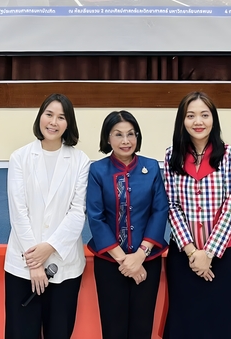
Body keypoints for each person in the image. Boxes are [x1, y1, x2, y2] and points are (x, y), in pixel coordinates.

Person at [4, 93, 91, 339]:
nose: (53, 122)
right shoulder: (20, 158)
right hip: (23, 267)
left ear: (69, 123)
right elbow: (18, 211)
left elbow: (77, 213)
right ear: (40, 117)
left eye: (61, 117)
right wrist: (35, 261)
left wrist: (49, 248)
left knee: (59, 333)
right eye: (49, 114)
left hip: (64, 266)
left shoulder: (80, 160)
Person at [162, 92, 231, 339]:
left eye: (204, 115)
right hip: (184, 256)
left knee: (222, 323)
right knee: (185, 323)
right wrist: (192, 252)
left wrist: (207, 254)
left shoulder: (229, 155)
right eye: (191, 116)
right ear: (182, 121)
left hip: (222, 255)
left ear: (213, 119)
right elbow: (172, 206)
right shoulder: (171, 156)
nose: (198, 121)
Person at [86, 110, 168, 339]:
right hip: (110, 262)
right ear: (107, 138)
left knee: (142, 328)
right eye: (118, 134)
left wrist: (140, 256)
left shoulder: (151, 168)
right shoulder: (97, 170)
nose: (125, 141)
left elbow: (159, 211)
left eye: (131, 134)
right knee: (114, 329)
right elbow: (95, 216)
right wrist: (125, 260)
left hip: (146, 261)